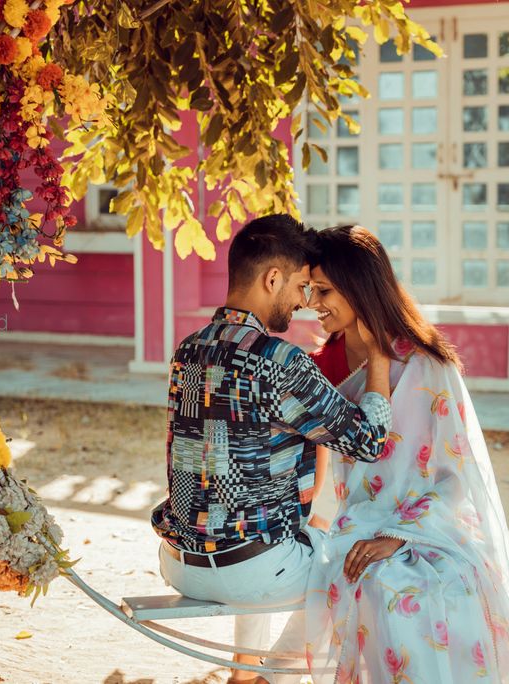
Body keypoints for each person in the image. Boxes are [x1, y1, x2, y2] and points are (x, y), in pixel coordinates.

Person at [150, 214, 393, 684]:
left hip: (180, 564)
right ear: (273, 278)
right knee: (350, 561)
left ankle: (246, 675)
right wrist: (379, 357)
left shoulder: (187, 350)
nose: (304, 302)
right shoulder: (279, 360)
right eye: (302, 286)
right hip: (250, 571)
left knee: (274, 530)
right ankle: (273, 678)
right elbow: (368, 441)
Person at [304, 225, 509, 683]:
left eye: (323, 290)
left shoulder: (428, 365)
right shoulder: (320, 369)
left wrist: (400, 535)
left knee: (433, 590)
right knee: (372, 581)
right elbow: (316, 476)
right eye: (308, 289)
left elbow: (457, 477)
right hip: (354, 524)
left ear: (358, 286)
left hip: (430, 528)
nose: (312, 302)